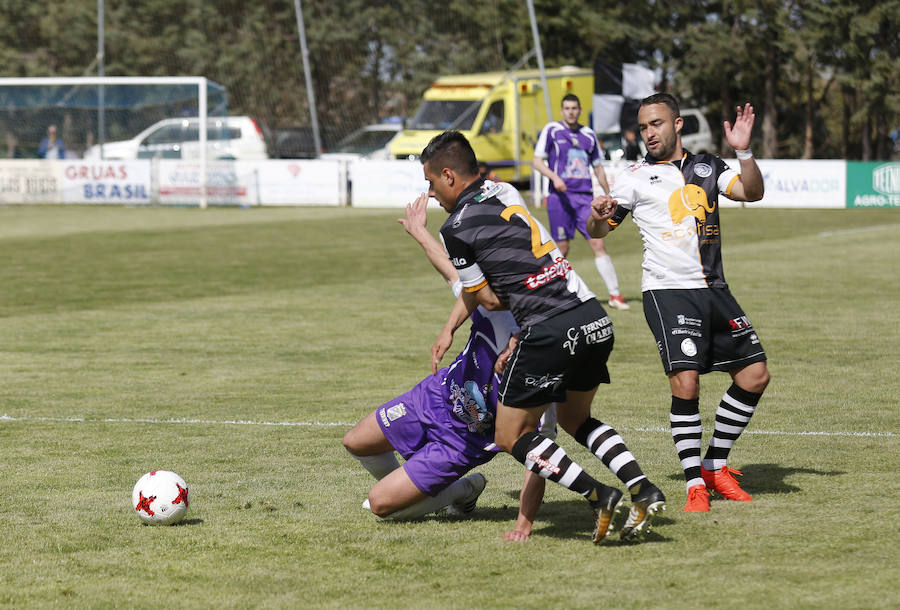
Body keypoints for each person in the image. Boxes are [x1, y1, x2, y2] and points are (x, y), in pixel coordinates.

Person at [425, 130, 665, 544]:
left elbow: (489, 300)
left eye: (431, 183)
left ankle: (599, 495)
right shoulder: (502, 191)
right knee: (576, 419)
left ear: (448, 176)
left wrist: (509, 296)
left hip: (549, 327)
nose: (430, 194)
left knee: (510, 436)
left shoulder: (455, 228)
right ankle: (643, 487)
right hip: (592, 315)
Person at [587, 93, 770, 513]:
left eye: (657, 124)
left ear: (678, 124)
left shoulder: (707, 166)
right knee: (686, 383)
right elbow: (598, 227)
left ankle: (714, 464)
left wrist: (743, 151)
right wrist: (597, 213)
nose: (649, 133)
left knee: (755, 375)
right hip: (666, 291)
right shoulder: (633, 177)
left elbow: (751, 192)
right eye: (644, 126)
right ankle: (694, 484)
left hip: (715, 289)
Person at [343, 193, 556, 540]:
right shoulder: (491, 303)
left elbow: (540, 456)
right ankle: (420, 488)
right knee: (357, 441)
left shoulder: (544, 358)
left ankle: (462, 489)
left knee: (379, 504)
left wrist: (524, 522)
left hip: (462, 441)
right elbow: (449, 269)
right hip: (436, 397)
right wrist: (419, 232)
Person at [532, 93, 630, 311]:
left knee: (598, 242)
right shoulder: (552, 130)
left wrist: (608, 193)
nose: (571, 112)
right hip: (560, 197)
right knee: (562, 249)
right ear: (562, 110)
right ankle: (549, 295)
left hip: (584, 198)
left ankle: (615, 295)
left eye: (575, 108)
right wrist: (555, 178)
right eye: (567, 108)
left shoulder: (588, 134)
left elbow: (597, 167)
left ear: (579, 110)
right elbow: (537, 162)